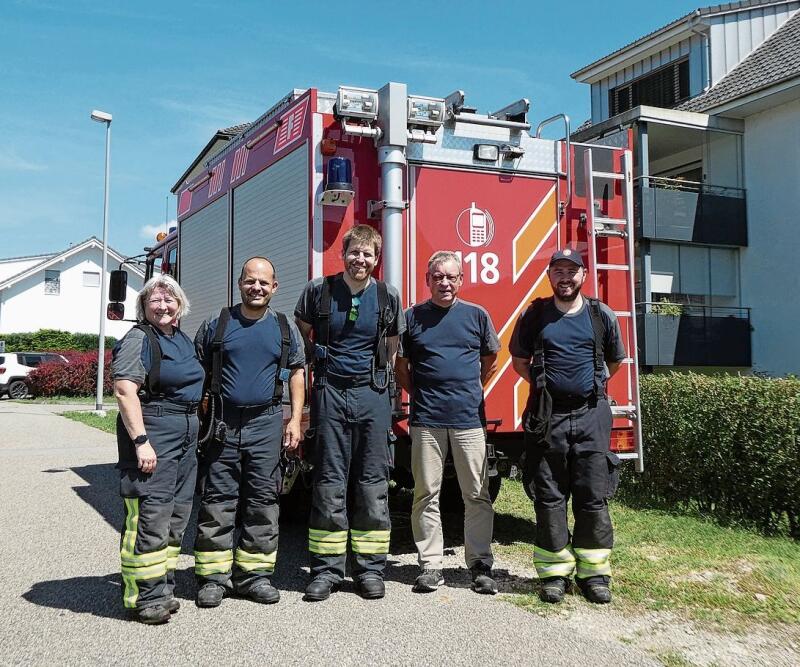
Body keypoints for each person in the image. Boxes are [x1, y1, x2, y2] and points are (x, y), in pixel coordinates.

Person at [295, 224, 404, 602]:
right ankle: (326, 570)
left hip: (372, 394)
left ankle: (370, 570)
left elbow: (391, 348)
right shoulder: (317, 291)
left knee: (372, 483)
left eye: (368, 254)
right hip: (329, 393)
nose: (361, 260)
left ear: (376, 259)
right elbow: (303, 334)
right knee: (328, 481)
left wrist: (378, 384)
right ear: (343, 254)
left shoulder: (389, 297)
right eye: (354, 252)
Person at [510, 247, 625, 604]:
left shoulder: (599, 315)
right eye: (558, 271)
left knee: (593, 496)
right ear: (549, 276)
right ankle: (555, 574)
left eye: (571, 271)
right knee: (549, 498)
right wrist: (546, 385)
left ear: (583, 275)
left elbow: (614, 362)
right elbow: (518, 361)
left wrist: (588, 386)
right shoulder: (535, 315)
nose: (565, 277)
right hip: (548, 418)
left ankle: (594, 574)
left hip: (591, 415)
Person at [193, 257, 305, 608]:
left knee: (262, 502)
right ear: (239, 284)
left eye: (263, 282)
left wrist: (295, 419)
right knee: (218, 501)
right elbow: (196, 372)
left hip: (266, 422)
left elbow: (298, 372)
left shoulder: (285, 328)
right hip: (223, 425)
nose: (256, 287)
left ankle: (254, 577)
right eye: (249, 281)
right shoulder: (217, 323)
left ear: (275, 287)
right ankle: (214, 578)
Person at [395, 250, 500, 595]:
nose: (445, 282)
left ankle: (480, 564)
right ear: (427, 281)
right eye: (438, 276)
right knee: (426, 494)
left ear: (461, 280)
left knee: (477, 495)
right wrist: (423, 394)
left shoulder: (477, 316)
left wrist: (469, 392)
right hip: (427, 421)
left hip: (470, 421)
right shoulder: (412, 319)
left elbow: (491, 361)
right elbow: (402, 368)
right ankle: (430, 566)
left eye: (451, 277)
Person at [112, 274, 205, 624]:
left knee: (177, 514)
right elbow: (124, 391)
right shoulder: (139, 339)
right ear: (143, 306)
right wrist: (140, 441)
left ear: (180, 304)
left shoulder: (181, 339)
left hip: (185, 432)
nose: (163, 305)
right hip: (155, 430)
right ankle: (143, 594)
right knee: (150, 515)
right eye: (155, 300)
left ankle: (162, 585)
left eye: (169, 299)